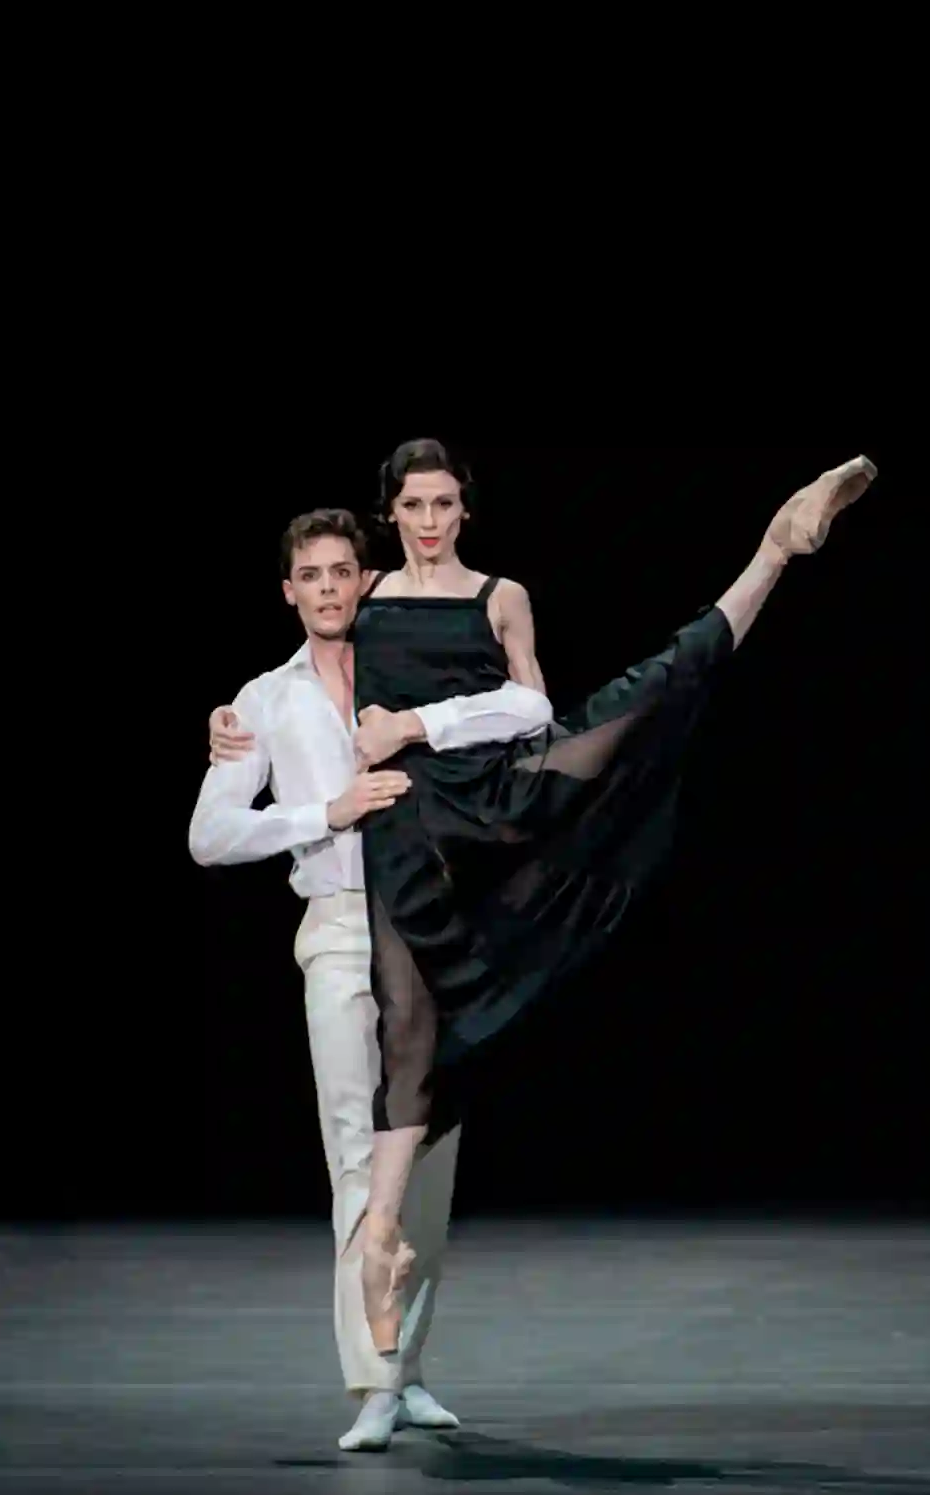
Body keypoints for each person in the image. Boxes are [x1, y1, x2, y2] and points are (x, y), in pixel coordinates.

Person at [209, 443, 878, 1361]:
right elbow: (307, 666)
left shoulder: (497, 596)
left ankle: (771, 550)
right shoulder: (356, 611)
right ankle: (379, 1272)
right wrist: (240, 726)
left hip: (482, 803)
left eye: (444, 503)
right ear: (389, 517)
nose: (429, 520)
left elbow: (530, 709)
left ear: (463, 510)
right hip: (399, 835)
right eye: (413, 505)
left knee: (631, 709)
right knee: (405, 1056)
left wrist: (417, 723)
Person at [189, 505, 553, 1451]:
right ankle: (375, 1379)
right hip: (343, 928)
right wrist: (327, 811)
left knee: (425, 1162)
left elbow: (524, 709)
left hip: (432, 929)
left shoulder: (410, 671)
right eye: (310, 575)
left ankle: (407, 1368)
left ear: (366, 581)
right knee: (355, 1149)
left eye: (341, 572)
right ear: (288, 591)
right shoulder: (262, 701)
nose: (327, 589)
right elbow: (209, 835)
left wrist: (429, 722)